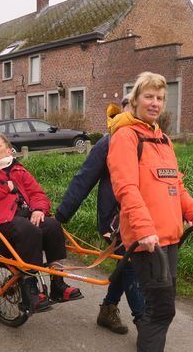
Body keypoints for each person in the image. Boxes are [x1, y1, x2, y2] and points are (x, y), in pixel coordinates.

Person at [108, 72, 193, 352]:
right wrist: (144, 229)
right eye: (148, 97)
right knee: (159, 312)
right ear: (135, 100)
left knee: (162, 311)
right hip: (147, 241)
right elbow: (126, 188)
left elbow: (176, 187)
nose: (154, 103)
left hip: (169, 239)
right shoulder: (125, 137)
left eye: (160, 98)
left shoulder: (163, 140)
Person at [55, 97, 144, 334]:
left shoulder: (149, 139)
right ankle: (144, 322)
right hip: (115, 221)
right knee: (131, 263)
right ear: (123, 111)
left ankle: (107, 309)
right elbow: (83, 180)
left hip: (143, 216)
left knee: (126, 264)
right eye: (131, 109)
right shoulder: (109, 142)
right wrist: (61, 217)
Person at [0, 133, 83, 313]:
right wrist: (6, 186)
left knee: (52, 225)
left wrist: (38, 209)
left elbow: (38, 194)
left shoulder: (18, 170)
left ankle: (58, 283)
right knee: (28, 229)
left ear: (8, 150)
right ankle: (30, 289)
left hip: (25, 215)